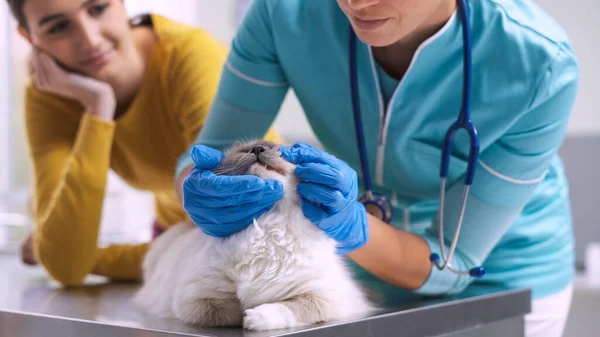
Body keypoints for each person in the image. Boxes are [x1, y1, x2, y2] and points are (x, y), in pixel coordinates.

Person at [176, 1, 579, 337]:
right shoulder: (285, 12)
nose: (356, 3)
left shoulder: (541, 63)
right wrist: (196, 190)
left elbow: (454, 262)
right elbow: (209, 153)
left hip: (499, 278)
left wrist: (351, 225)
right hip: (355, 276)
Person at [6, 0, 281, 285]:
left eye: (98, 8)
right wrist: (97, 106)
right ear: (29, 39)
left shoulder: (189, 55)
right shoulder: (52, 94)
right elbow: (66, 266)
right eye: (59, 27)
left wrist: (82, 256)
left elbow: (238, 229)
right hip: (176, 244)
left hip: (261, 238)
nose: (90, 40)